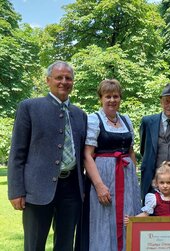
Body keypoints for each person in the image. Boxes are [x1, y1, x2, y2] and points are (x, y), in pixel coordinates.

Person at [7, 61, 87, 251]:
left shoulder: (80, 114)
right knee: (34, 245)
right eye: (59, 77)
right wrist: (16, 190)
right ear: (48, 80)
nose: (64, 81)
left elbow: (84, 154)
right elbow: (17, 152)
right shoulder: (29, 107)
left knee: (66, 244)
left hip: (72, 190)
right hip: (37, 190)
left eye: (68, 78)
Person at [79, 79, 141, 251]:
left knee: (127, 218)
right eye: (108, 96)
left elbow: (130, 152)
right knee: (103, 220)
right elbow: (87, 155)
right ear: (101, 98)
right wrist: (99, 186)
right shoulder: (94, 119)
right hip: (104, 178)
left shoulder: (126, 120)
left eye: (116, 96)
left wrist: (134, 182)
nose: (112, 100)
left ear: (120, 98)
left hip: (126, 178)